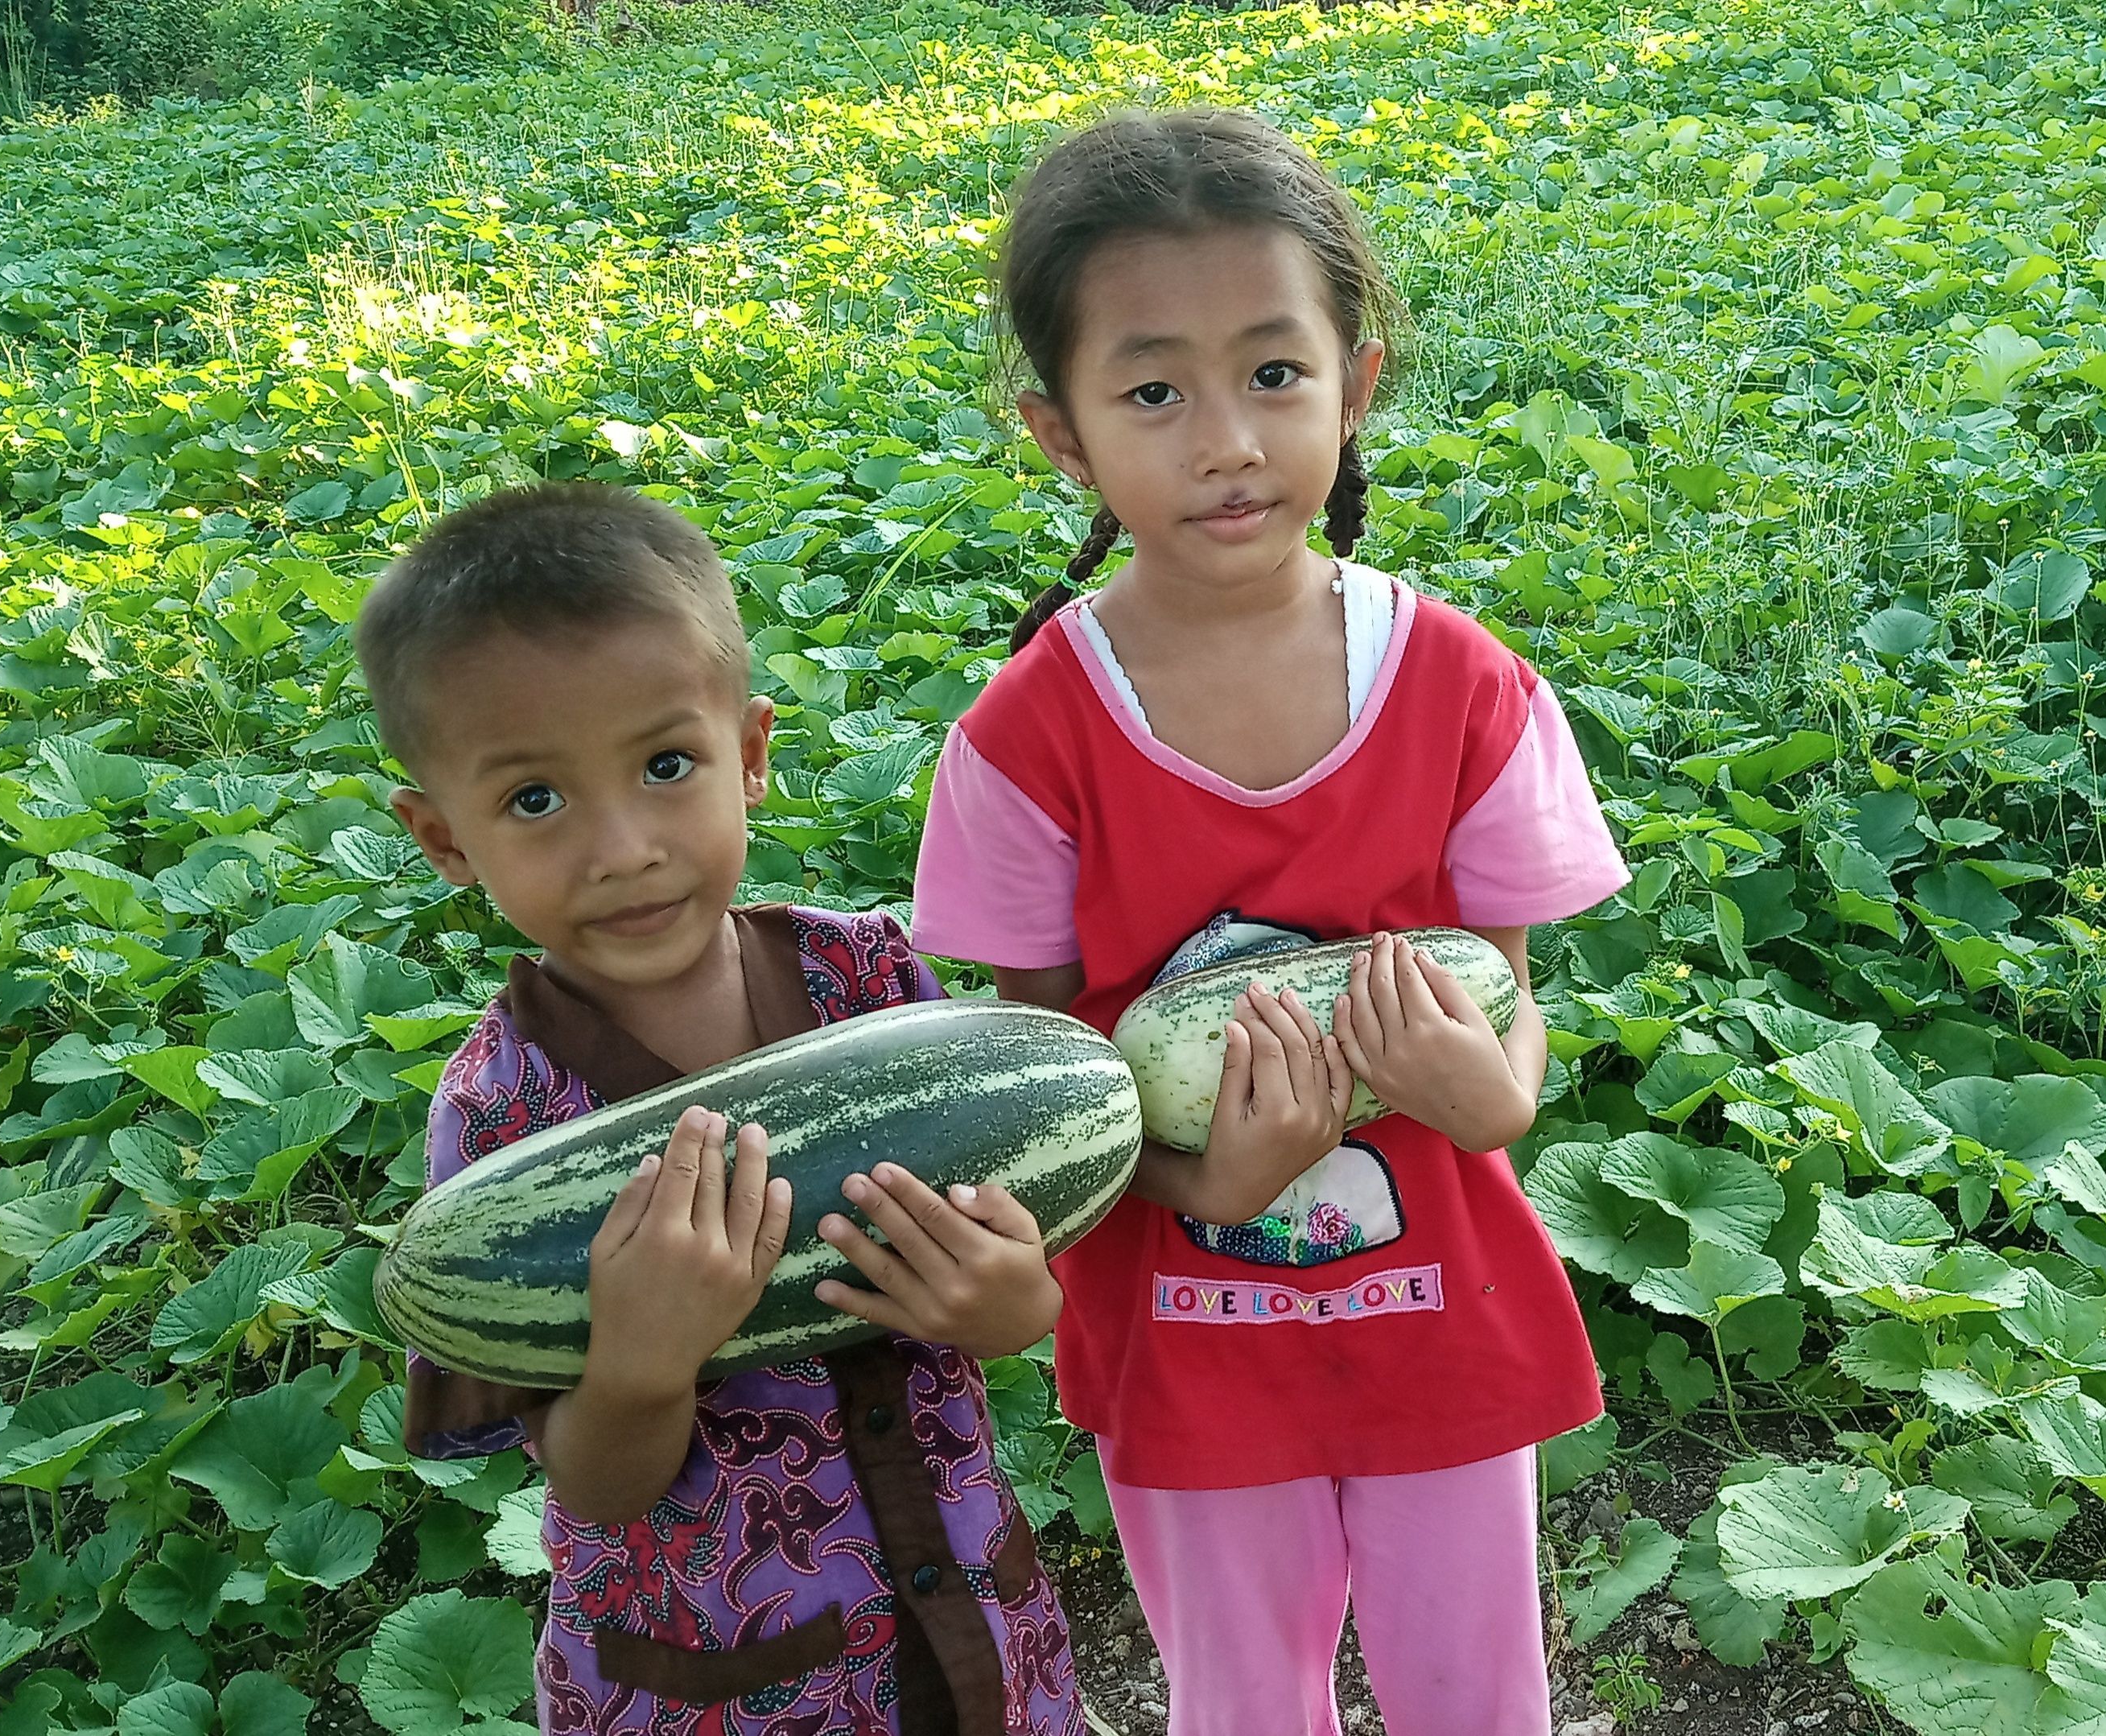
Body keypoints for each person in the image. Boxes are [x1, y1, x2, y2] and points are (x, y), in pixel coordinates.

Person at [910, 109, 1630, 1735]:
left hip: (1441, 1318)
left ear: (1355, 383)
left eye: (1274, 373)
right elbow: (1041, 1086)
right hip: (1184, 1343)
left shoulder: (1463, 687)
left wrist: (1496, 1091)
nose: (1226, 436)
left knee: (1478, 1696)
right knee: (1241, 1702)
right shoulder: (1026, 742)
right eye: (1154, 389)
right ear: (1063, 432)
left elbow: (1507, 1004)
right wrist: (1198, 1176)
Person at [358, 480, 1084, 1734]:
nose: (623, 844)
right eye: (536, 799)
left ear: (749, 755)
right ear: (442, 838)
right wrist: (645, 1357)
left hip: (968, 1630)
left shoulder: (871, 984)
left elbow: (1017, 1291)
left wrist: (1014, 1299)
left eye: (665, 764)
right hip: (724, 1689)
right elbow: (593, 1483)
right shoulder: (504, 1113)